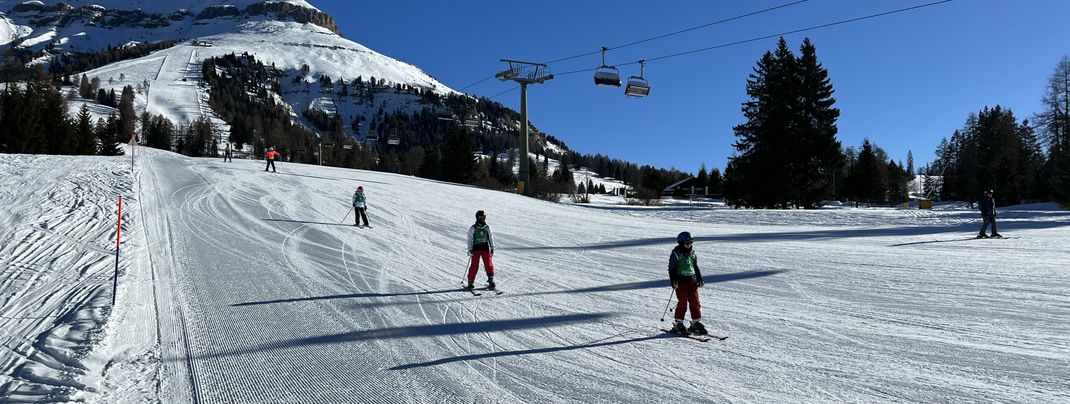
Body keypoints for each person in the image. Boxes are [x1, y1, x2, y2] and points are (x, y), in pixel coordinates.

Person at [668, 231, 706, 335]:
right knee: (682, 303)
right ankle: (678, 323)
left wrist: (699, 278)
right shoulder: (675, 254)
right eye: (687, 242)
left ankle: (695, 322)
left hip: (692, 281)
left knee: (695, 302)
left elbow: (695, 266)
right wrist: (674, 281)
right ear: (680, 242)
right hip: (681, 282)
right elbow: (672, 269)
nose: (689, 244)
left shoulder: (693, 252)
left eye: (690, 242)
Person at [466, 210, 495, 290]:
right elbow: (470, 239)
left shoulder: (487, 228)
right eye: (481, 217)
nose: (483, 219)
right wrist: (470, 249)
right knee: (474, 265)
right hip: (476, 249)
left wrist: (492, 248)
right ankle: (470, 281)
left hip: (485, 248)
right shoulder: (473, 228)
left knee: (488, 264)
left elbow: (490, 238)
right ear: (477, 217)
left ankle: (491, 279)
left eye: (484, 217)